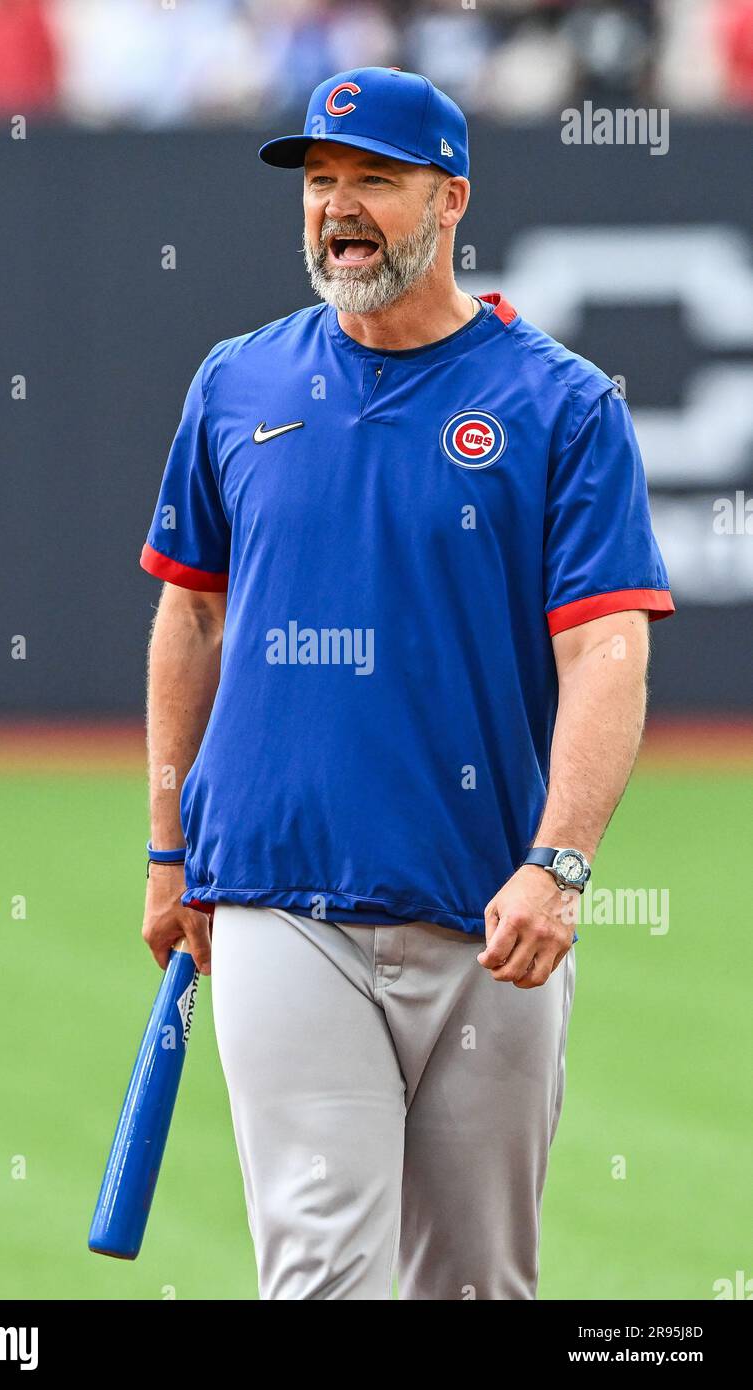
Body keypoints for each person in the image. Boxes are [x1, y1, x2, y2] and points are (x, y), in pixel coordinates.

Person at [139, 67, 674, 1300]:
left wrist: (561, 860)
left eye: (371, 179)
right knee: (322, 1272)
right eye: (319, 181)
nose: (336, 206)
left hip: (488, 914)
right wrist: (170, 850)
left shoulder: (561, 406)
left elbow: (604, 649)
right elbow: (191, 612)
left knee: (476, 1283)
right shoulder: (237, 382)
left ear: (448, 199)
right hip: (276, 901)